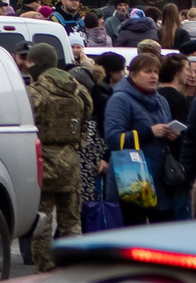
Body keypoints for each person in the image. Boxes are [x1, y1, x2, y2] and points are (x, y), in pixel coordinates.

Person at [27, 43, 90, 269]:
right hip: (70, 162)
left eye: (31, 62)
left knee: (42, 220)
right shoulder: (79, 90)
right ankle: (74, 267)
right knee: (72, 221)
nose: (27, 65)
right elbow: (87, 117)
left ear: (39, 63)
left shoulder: (34, 92)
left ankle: (45, 268)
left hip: (42, 163)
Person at [103, 51, 179, 225]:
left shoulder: (161, 101)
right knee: (134, 233)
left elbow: (163, 133)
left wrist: (172, 136)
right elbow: (113, 139)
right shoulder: (120, 100)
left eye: (156, 71)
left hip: (161, 179)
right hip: (132, 178)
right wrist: (149, 132)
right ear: (133, 74)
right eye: (148, 71)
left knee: (165, 233)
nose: (153, 76)